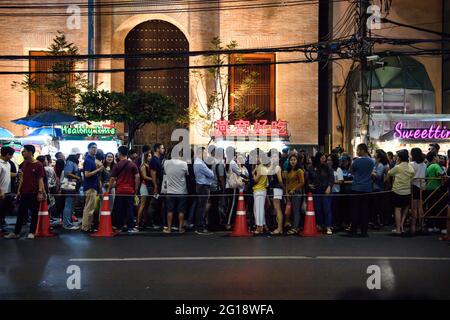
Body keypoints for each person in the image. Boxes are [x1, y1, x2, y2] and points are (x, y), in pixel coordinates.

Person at [4, 145, 46, 239]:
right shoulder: (25, 163)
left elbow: (40, 179)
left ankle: (32, 232)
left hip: (34, 192)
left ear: (30, 152)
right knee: (21, 213)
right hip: (24, 192)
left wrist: (40, 192)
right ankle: (16, 232)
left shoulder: (38, 164)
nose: (23, 152)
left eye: (25, 151)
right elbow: (22, 177)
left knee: (34, 213)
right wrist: (19, 190)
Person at [108, 146, 140, 234]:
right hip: (130, 191)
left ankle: (119, 227)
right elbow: (137, 177)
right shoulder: (132, 164)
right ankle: (130, 227)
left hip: (120, 191)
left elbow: (112, 179)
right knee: (129, 209)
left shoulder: (117, 165)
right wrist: (136, 189)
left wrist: (109, 189)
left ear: (120, 154)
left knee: (119, 210)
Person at [346, 143, 374, 238]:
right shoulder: (372, 161)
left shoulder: (357, 161)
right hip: (367, 188)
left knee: (355, 210)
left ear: (363, 150)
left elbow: (351, 171)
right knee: (365, 210)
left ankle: (353, 230)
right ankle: (364, 231)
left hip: (356, 187)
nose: (357, 152)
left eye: (358, 150)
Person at [387, 149, 415, 235]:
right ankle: (402, 225)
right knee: (406, 208)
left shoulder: (398, 167)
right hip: (407, 191)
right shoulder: (410, 167)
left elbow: (389, 172)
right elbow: (412, 176)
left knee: (398, 209)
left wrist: (396, 164)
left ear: (399, 158)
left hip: (397, 191)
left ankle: (398, 229)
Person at [163, 149, 188, 233]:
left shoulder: (166, 162)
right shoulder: (184, 164)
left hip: (170, 191)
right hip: (182, 191)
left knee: (169, 211)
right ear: (180, 154)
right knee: (181, 211)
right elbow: (186, 174)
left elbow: (165, 172)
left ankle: (169, 228)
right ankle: (180, 228)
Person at [308, 152, 334, 235]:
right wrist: (309, 184)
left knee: (327, 209)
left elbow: (331, 178)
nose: (324, 160)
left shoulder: (328, 167)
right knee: (318, 209)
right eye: (322, 158)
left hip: (326, 191)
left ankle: (328, 226)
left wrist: (329, 187)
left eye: (324, 158)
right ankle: (320, 225)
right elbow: (309, 178)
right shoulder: (311, 167)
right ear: (318, 158)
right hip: (316, 191)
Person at [81, 143, 103, 232]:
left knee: (90, 207)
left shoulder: (92, 159)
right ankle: (86, 227)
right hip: (90, 186)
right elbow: (87, 174)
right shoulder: (88, 160)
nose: (95, 149)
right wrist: (98, 170)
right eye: (93, 148)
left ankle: (87, 226)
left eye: (96, 148)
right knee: (89, 208)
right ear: (89, 149)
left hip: (92, 186)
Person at [193, 147, 215, 234]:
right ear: (200, 153)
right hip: (203, 186)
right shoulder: (200, 163)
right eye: (205, 153)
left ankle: (199, 226)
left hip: (201, 186)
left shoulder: (199, 162)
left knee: (200, 207)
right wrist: (210, 171)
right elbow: (211, 174)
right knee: (202, 208)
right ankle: (200, 227)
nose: (206, 154)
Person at [61, 148, 82, 230]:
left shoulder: (71, 162)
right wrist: (77, 177)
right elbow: (67, 173)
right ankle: (67, 224)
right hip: (70, 186)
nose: (79, 156)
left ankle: (68, 222)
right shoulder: (70, 162)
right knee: (68, 205)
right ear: (75, 154)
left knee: (70, 204)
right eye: (78, 154)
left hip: (72, 186)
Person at [283, 154, 305, 235]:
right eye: (291, 160)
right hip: (289, 193)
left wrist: (293, 189)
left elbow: (302, 182)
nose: (293, 161)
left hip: (296, 193)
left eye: (294, 160)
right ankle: (293, 226)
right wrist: (286, 192)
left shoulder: (299, 170)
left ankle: (295, 228)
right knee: (290, 211)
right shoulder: (289, 170)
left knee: (296, 211)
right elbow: (286, 183)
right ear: (289, 161)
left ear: (297, 161)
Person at [148, 143, 166, 229]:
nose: (163, 150)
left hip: (159, 185)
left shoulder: (158, 159)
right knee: (154, 204)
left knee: (158, 204)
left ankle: (157, 222)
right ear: (157, 149)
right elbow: (153, 174)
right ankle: (150, 223)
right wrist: (155, 186)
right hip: (156, 186)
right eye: (162, 148)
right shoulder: (154, 160)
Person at [371, 149, 390, 228]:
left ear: (379, 157)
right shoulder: (376, 164)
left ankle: (378, 222)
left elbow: (378, 176)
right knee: (375, 206)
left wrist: (371, 172)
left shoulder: (380, 165)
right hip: (375, 187)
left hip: (378, 188)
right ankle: (376, 221)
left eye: (375, 154)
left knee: (377, 206)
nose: (374, 154)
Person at [267, 150, 284, 235]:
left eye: (275, 157)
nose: (273, 158)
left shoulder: (277, 167)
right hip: (274, 189)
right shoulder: (272, 167)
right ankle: (279, 228)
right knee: (276, 209)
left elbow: (280, 180)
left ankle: (280, 228)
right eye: (272, 157)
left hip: (277, 189)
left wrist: (284, 189)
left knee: (278, 209)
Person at [252, 150, 269, 235]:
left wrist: (253, 173)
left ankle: (259, 228)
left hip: (258, 190)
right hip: (262, 190)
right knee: (259, 209)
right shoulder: (265, 167)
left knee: (258, 210)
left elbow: (256, 179)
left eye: (257, 157)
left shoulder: (260, 167)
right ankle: (263, 225)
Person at [410, 148, 426, 234]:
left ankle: (413, 227)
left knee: (414, 208)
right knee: (420, 207)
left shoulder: (412, 164)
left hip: (414, 186)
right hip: (422, 186)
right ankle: (422, 226)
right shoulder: (424, 164)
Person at [0, 146, 14, 236]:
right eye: (11, 155)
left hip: (7, 192)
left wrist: (17, 174)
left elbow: (8, 174)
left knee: (3, 211)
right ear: (8, 154)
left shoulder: (7, 164)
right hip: (1, 193)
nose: (12, 157)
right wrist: (1, 191)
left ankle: (1, 227)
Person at [328, 153, 343, 233]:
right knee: (329, 210)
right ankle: (330, 225)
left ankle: (336, 225)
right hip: (328, 192)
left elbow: (340, 181)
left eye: (330, 160)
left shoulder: (338, 169)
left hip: (336, 192)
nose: (328, 161)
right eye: (328, 160)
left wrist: (331, 182)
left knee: (335, 210)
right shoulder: (327, 169)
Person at [137, 149, 152, 229]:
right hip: (144, 186)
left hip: (147, 186)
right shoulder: (143, 165)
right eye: (149, 156)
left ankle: (145, 221)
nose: (150, 157)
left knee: (145, 206)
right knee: (142, 205)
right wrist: (153, 179)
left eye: (151, 156)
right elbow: (144, 176)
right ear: (146, 157)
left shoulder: (148, 165)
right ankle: (138, 222)